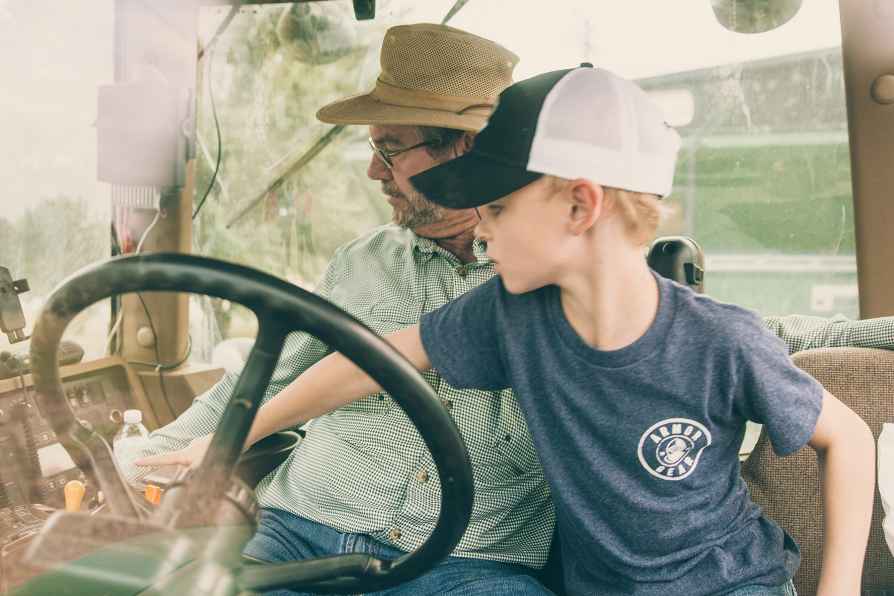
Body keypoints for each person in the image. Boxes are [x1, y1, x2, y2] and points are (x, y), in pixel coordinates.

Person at [136, 28, 890, 595]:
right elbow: (359, 363)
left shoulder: (702, 334)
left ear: (576, 205)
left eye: (494, 207)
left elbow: (805, 387)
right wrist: (212, 443)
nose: (483, 227)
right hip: (319, 527)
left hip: (543, 565)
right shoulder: (488, 306)